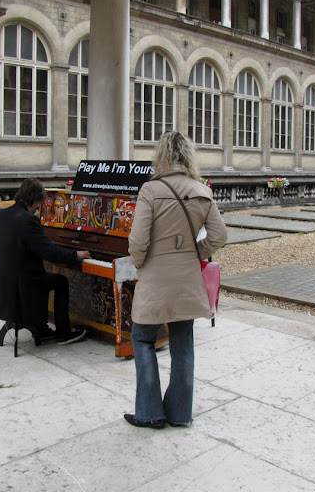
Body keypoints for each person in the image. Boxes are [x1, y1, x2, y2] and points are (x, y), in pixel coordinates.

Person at [125, 131, 227, 429]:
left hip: (156, 278)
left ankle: (150, 412)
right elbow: (220, 235)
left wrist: (140, 263)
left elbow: (138, 240)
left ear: (162, 156)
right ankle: (180, 413)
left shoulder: (151, 189)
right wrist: (196, 252)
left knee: (142, 338)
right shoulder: (202, 190)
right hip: (186, 279)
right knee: (183, 345)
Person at [0, 178, 91, 345]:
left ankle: (41, 326)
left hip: (5, 281)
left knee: (44, 274)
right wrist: (74, 255)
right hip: (22, 284)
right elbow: (48, 251)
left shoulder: (5, 214)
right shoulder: (28, 219)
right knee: (61, 281)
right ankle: (63, 333)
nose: (39, 207)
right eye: (39, 203)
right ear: (35, 199)